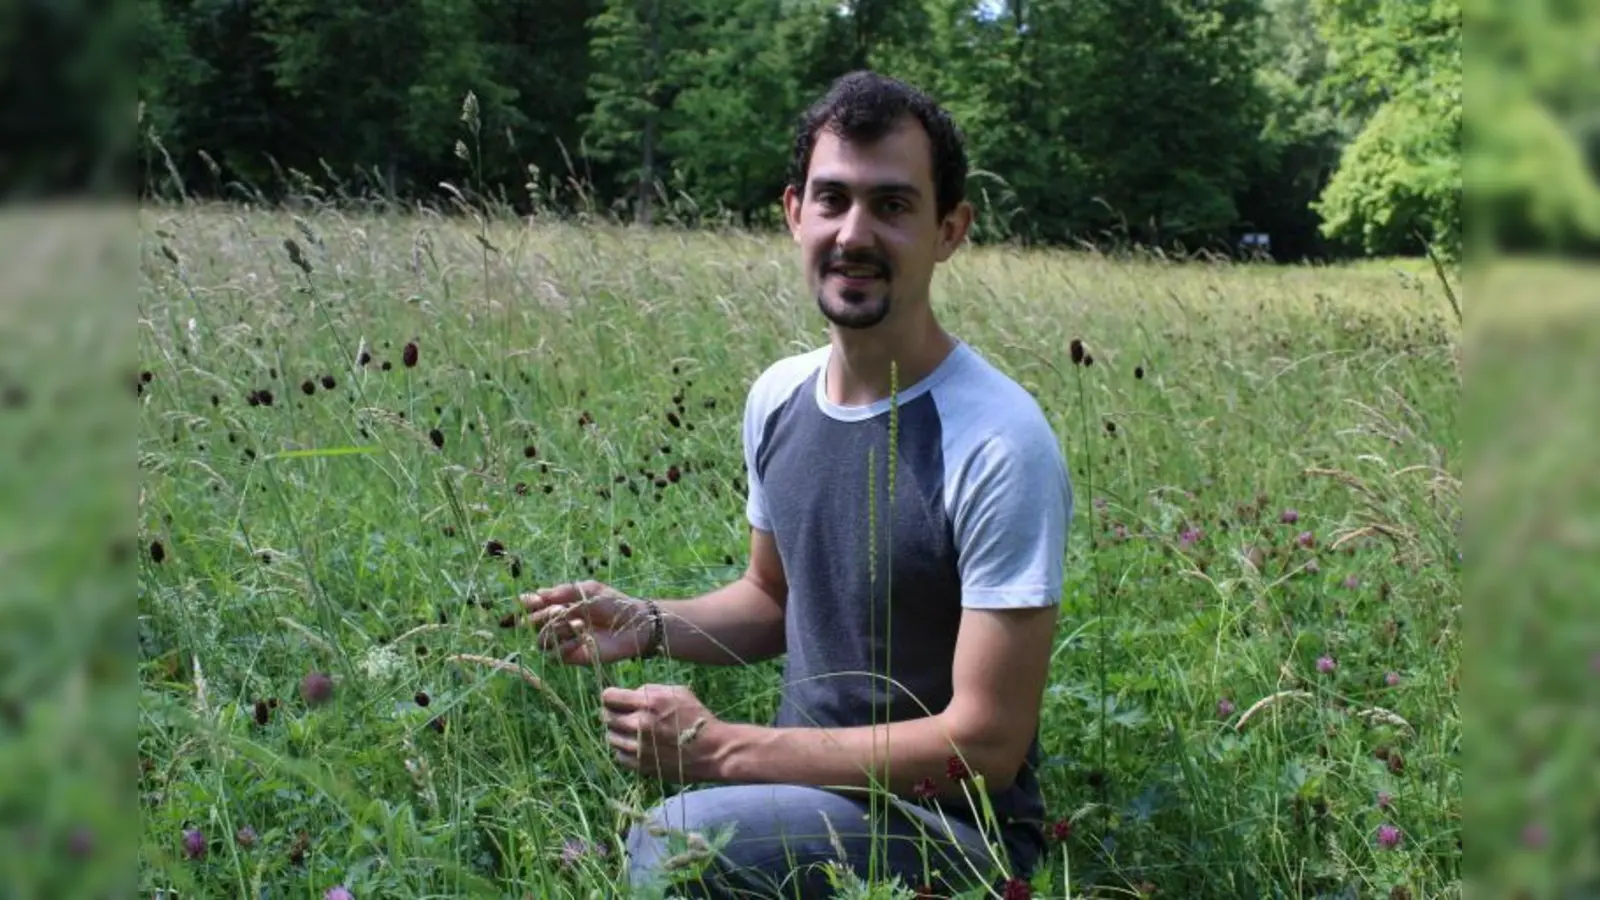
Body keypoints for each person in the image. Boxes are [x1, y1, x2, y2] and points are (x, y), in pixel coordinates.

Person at [519, 70, 1073, 898]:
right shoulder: (779, 397)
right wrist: (646, 621)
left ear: (950, 229)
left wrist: (722, 751)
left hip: (952, 832)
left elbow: (987, 745)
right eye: (832, 199)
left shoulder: (997, 440)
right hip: (799, 795)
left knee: (675, 847)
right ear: (793, 213)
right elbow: (774, 599)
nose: (854, 233)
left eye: (892, 205)